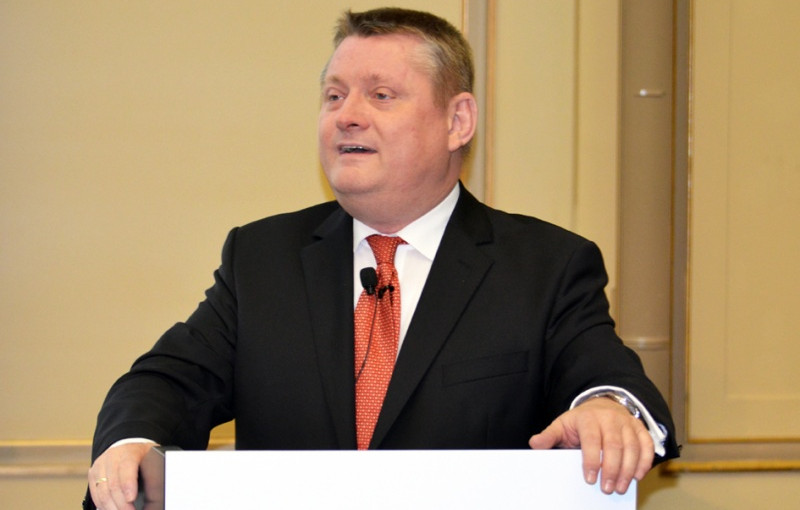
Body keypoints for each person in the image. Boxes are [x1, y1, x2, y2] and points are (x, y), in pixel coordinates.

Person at [85, 7, 679, 510]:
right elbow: (167, 382)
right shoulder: (262, 259)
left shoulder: (545, 266)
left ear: (457, 121)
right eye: (334, 95)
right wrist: (131, 444)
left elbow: (609, 379)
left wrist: (608, 408)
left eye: (381, 95)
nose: (346, 114)